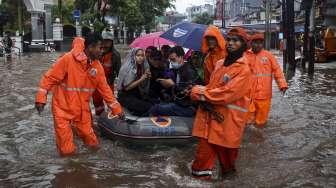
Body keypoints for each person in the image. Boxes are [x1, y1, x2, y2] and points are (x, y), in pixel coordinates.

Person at [35, 33, 124, 156]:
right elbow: (50, 78)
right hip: (62, 110)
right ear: (91, 47)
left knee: (93, 144)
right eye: (100, 48)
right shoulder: (68, 59)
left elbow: (106, 90)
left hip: (82, 111)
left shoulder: (97, 67)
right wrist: (40, 99)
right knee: (67, 151)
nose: (102, 51)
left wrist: (117, 109)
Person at [190, 28, 252, 180]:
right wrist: (200, 91)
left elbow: (227, 93)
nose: (230, 43)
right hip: (210, 117)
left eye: (235, 41)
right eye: (229, 39)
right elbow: (212, 87)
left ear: (244, 45)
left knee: (228, 166)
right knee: (201, 159)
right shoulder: (218, 64)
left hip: (228, 122)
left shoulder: (244, 70)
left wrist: (200, 93)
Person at [247, 33, 288, 128]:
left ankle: (259, 138)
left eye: (260, 43)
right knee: (248, 123)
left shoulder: (269, 56)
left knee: (261, 122)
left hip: (264, 96)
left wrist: (282, 85)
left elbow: (277, 70)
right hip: (248, 95)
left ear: (263, 44)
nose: (258, 45)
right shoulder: (245, 56)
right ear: (251, 43)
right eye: (255, 42)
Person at [149, 50, 205, 117]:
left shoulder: (189, 71)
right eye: (170, 60)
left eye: (173, 59)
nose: (172, 62)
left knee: (155, 109)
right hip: (180, 102)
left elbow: (190, 92)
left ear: (181, 57)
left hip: (189, 107)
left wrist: (173, 85)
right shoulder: (178, 69)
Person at [92, 31, 121, 116]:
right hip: (96, 83)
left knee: (111, 102)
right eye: (104, 41)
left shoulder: (115, 55)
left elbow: (119, 72)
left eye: (108, 42)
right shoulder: (96, 52)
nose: (105, 44)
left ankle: (111, 117)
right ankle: (99, 116)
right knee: (97, 103)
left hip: (108, 83)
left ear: (111, 43)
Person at [117, 48, 153, 116]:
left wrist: (147, 77)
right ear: (133, 56)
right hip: (125, 96)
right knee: (147, 107)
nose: (140, 58)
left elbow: (143, 85)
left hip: (136, 93)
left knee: (153, 103)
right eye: (138, 55)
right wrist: (142, 79)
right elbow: (126, 88)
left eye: (142, 56)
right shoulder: (127, 68)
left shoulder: (142, 66)